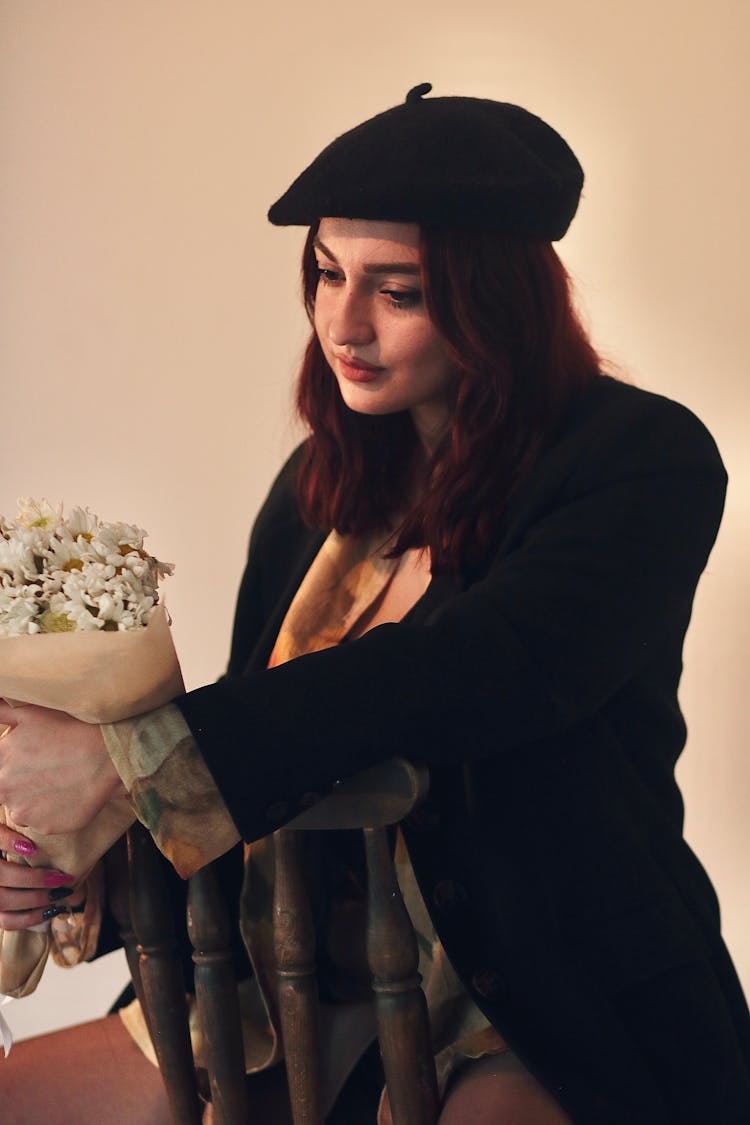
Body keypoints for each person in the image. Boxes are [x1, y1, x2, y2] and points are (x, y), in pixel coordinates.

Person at [0, 82, 749, 1124]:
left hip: (526, 998)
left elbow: (474, 675)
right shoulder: (315, 491)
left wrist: (134, 761)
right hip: (271, 986)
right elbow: (266, 776)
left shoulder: (641, 461)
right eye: (325, 274)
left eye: (397, 291)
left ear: (500, 301)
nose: (342, 324)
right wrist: (78, 865)